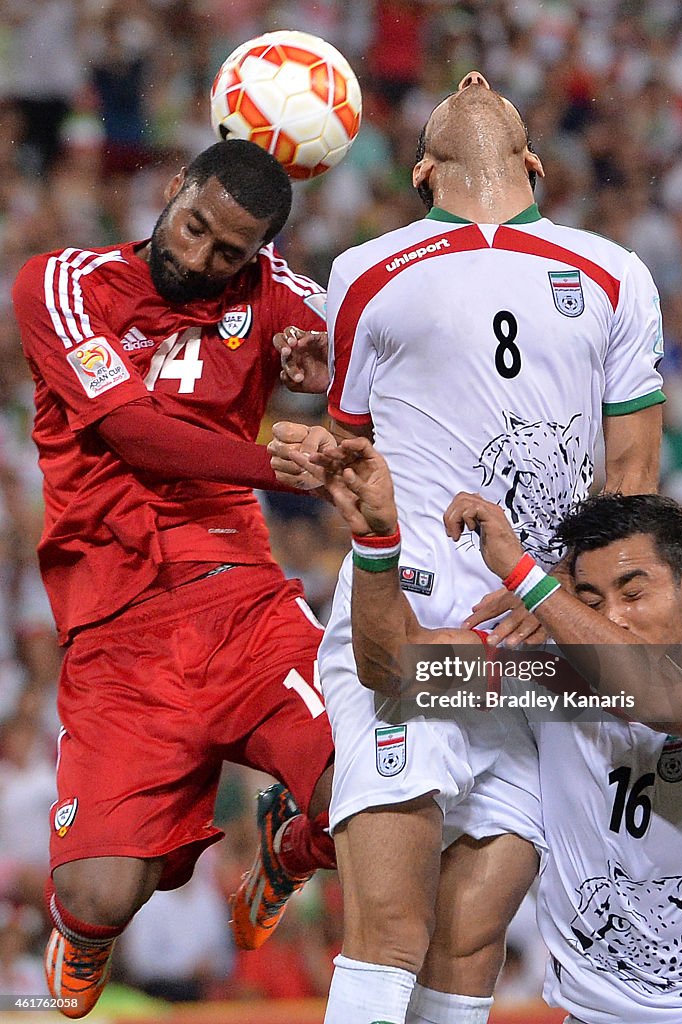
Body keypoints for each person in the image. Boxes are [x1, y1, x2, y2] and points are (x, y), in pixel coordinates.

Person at [270, 71, 664, 1024]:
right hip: (417, 628)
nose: (473, 79)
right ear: (422, 169)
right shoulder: (364, 272)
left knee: (470, 943)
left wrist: (569, 604)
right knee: (393, 932)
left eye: (485, 85)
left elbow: (635, 472)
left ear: (535, 161)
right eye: (456, 93)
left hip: (538, 648)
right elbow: (361, 458)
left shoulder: (615, 270)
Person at [304, 436, 682, 1024]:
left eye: (634, 591)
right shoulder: (550, 675)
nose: (614, 615)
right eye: (592, 599)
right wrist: (377, 542)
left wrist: (528, 579)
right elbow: (397, 667)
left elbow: (652, 696)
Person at [12, 139, 337, 1019]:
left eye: (227, 252)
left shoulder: (279, 299)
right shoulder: (61, 284)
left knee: (378, 801)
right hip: (116, 632)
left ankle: (291, 845)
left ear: (259, 252)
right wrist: (279, 461)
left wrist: (341, 375)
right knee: (100, 899)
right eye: (192, 228)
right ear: (172, 190)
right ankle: (79, 932)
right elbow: (135, 434)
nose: (197, 259)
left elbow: (382, 345)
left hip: (243, 602)